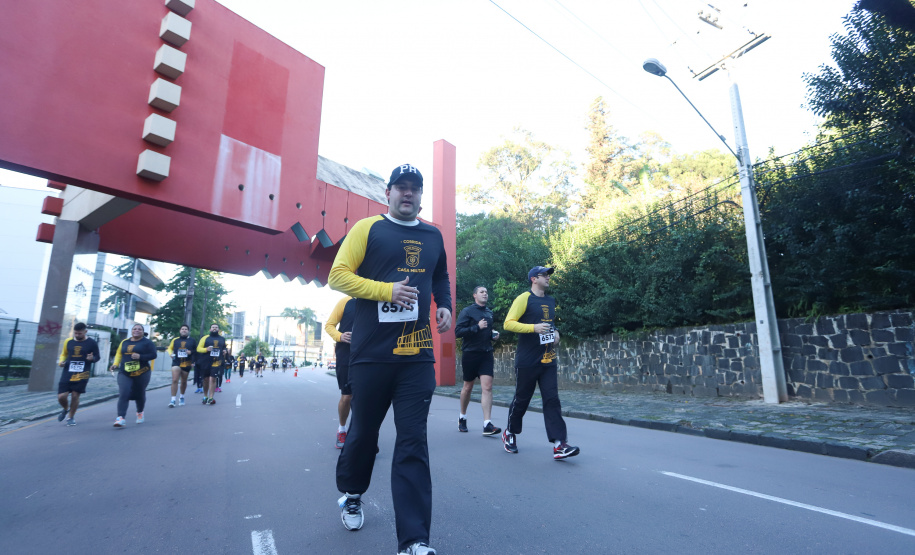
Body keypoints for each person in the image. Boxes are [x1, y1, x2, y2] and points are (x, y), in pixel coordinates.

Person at [329, 163, 451, 555]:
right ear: (388, 193)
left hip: (417, 357)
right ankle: (352, 493)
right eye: (401, 187)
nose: (408, 193)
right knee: (364, 434)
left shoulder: (433, 235)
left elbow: (440, 276)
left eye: (415, 187)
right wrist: (386, 291)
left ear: (421, 195)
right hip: (371, 355)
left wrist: (444, 305)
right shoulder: (368, 229)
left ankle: (414, 541)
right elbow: (337, 276)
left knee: (413, 441)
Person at [501, 266, 580, 460]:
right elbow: (508, 323)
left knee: (552, 400)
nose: (548, 277)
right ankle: (509, 432)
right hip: (527, 360)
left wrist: (556, 333)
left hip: (548, 359)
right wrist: (533, 328)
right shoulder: (524, 298)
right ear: (533, 279)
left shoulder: (550, 301)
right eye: (544, 275)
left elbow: (550, 324)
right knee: (522, 400)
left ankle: (559, 444)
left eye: (548, 275)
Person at [454, 286, 502, 436]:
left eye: (486, 292)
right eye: (482, 292)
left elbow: (487, 331)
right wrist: (477, 327)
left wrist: (493, 335)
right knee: (468, 387)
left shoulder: (489, 312)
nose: (485, 294)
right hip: (470, 353)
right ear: (475, 295)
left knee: (487, 387)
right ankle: (462, 417)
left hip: (486, 353)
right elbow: (458, 332)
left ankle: (487, 424)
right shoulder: (467, 311)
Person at [109, 323, 157, 427]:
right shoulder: (125, 342)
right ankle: (120, 418)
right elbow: (119, 354)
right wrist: (115, 364)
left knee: (139, 394)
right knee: (124, 393)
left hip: (142, 372)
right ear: (131, 331)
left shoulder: (147, 342)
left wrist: (140, 356)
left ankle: (140, 412)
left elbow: (153, 355)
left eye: (139, 329)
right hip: (125, 372)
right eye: (134, 329)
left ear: (143, 332)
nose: (137, 330)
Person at [325, 295, 356, 449]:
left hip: (368, 354)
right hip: (346, 354)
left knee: (365, 397)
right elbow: (329, 325)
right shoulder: (346, 301)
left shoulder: (376, 300)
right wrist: (340, 336)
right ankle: (342, 429)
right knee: (347, 396)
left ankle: (362, 434)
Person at [56, 322, 100, 426]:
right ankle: (66, 408)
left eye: (80, 333)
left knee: (75, 396)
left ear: (85, 332)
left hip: (82, 373)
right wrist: (61, 362)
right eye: (75, 333)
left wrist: (92, 358)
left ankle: (70, 417)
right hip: (68, 372)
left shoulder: (92, 343)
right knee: (61, 397)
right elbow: (64, 354)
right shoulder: (68, 341)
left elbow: (97, 357)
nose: (77, 335)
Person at [166, 324, 196, 407]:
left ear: (188, 331)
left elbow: (196, 351)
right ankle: (173, 400)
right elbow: (169, 348)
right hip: (176, 362)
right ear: (180, 331)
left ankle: (182, 396)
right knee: (175, 380)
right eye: (182, 329)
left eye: (186, 329)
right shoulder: (175, 340)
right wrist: (170, 354)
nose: (184, 330)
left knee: (183, 381)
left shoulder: (192, 340)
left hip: (187, 363)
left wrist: (191, 353)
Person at [196, 323, 226, 405]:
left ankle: (211, 397)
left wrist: (224, 351)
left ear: (218, 330)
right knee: (205, 379)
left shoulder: (222, 339)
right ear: (210, 329)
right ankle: (205, 396)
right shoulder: (205, 338)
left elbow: (224, 347)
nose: (214, 328)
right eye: (213, 327)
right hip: (205, 361)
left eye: (216, 327)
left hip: (216, 361)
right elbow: (198, 349)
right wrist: (206, 349)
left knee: (213, 378)